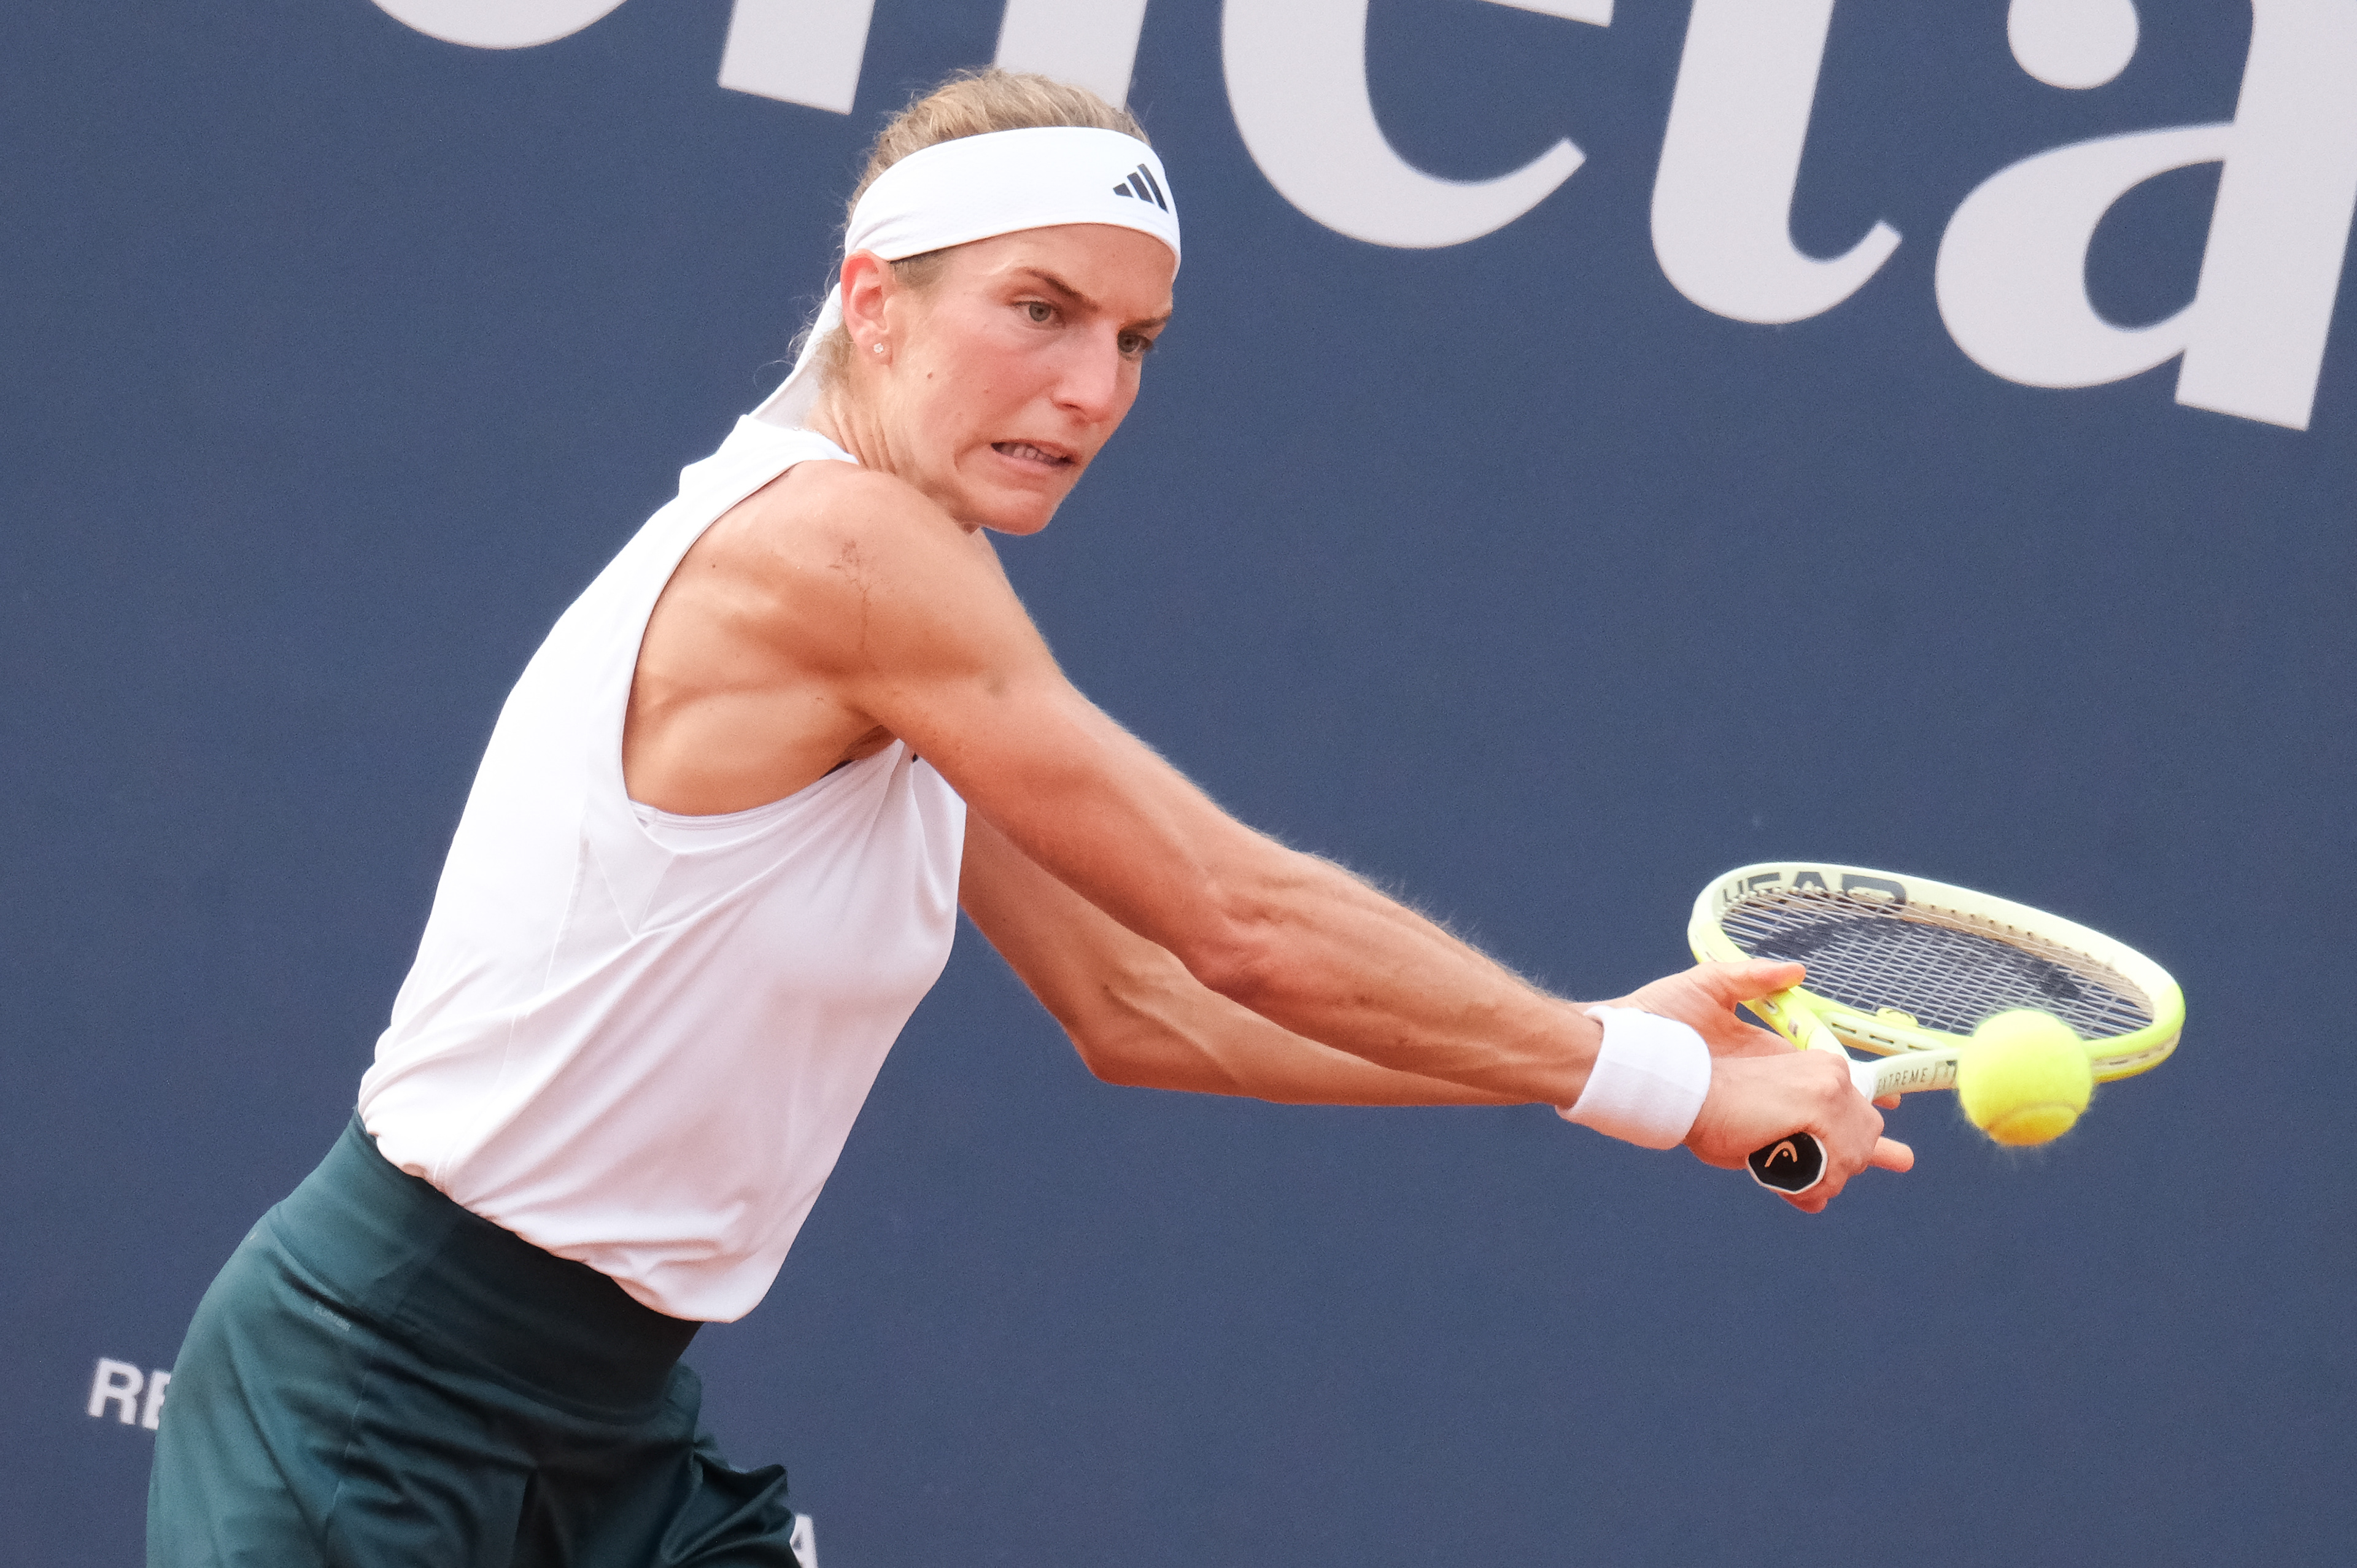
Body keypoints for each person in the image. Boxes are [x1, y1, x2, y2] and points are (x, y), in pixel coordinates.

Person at [148, 69, 1910, 1567]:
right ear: (873, 300)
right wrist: (1665, 1087)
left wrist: (1591, 1049)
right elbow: (1241, 913)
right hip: (375, 1400)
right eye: (1040, 308)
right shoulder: (839, 552)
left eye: (1134, 339)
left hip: (609, 1425)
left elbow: (1148, 1007)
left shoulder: (913, 604)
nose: (1091, 391)